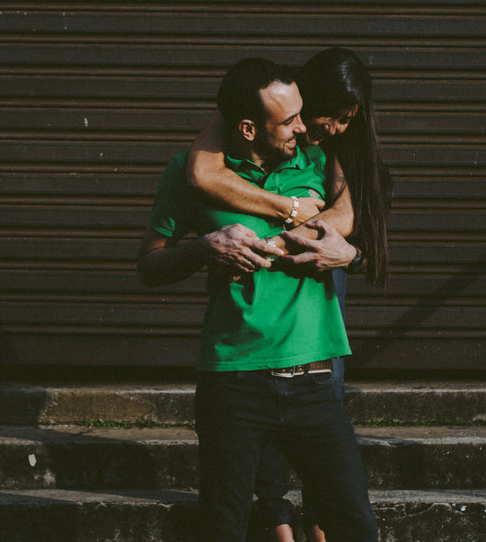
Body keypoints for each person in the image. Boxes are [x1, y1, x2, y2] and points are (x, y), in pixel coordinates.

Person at [138, 57, 379, 542]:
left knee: (357, 528)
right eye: (289, 120)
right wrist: (206, 246)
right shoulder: (189, 173)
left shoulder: (318, 160)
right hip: (233, 382)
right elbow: (149, 264)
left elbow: (356, 229)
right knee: (222, 529)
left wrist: (344, 252)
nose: (304, 126)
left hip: (314, 383)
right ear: (247, 128)